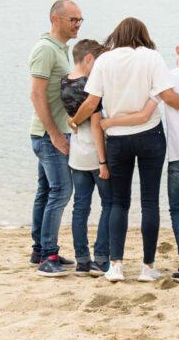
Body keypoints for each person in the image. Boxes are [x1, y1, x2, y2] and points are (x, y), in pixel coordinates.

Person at [69, 17, 179, 283]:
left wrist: (75, 120)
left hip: (117, 140)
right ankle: (147, 267)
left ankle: (116, 265)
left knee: (119, 203)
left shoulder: (105, 61)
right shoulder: (152, 57)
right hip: (150, 137)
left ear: (117, 35)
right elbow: (168, 97)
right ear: (143, 35)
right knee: (149, 203)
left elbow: (92, 101)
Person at [101, 35, 179, 283]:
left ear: (177, 49)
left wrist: (109, 122)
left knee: (176, 209)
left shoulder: (168, 77)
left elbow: (150, 110)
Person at [28, 0, 82, 277]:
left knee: (46, 192)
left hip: (53, 133)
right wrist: (54, 133)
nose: (77, 25)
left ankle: (40, 250)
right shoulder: (45, 50)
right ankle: (48, 254)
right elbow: (36, 94)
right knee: (61, 191)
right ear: (55, 19)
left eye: (80, 20)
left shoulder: (62, 50)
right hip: (48, 135)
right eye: (73, 19)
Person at [61, 39, 112, 277]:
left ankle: (82, 260)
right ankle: (101, 259)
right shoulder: (91, 86)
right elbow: (95, 126)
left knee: (80, 208)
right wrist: (103, 161)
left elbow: (74, 120)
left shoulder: (65, 82)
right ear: (89, 58)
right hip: (95, 153)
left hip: (77, 154)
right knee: (109, 205)